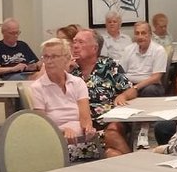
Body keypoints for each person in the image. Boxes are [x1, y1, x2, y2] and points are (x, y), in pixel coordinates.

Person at [28, 37, 97, 162]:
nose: (48, 61)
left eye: (54, 56)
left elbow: (85, 117)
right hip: (54, 138)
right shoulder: (37, 87)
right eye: (46, 57)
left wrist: (88, 129)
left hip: (80, 138)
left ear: (66, 58)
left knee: (108, 144)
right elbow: (42, 124)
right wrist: (63, 130)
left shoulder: (77, 83)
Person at [69, 29, 133, 159]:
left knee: (112, 131)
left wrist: (123, 95)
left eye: (81, 42)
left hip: (109, 122)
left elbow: (131, 89)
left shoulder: (108, 65)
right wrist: (64, 67)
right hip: (80, 129)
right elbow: (38, 84)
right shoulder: (69, 71)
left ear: (94, 48)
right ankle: (139, 169)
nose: (75, 46)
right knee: (112, 153)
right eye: (74, 42)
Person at [116, 20, 168, 99]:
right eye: (137, 33)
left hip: (149, 85)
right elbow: (121, 72)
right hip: (129, 84)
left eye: (143, 33)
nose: (140, 37)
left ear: (150, 34)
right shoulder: (128, 49)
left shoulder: (158, 50)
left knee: (150, 90)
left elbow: (156, 78)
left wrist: (136, 88)